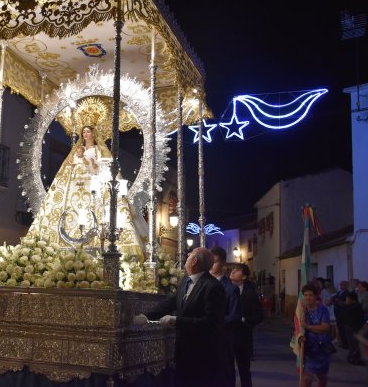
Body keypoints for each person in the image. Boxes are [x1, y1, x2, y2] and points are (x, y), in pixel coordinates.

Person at [26, 123, 147, 265]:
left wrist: (86, 160)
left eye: (88, 132)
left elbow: (98, 169)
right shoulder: (77, 150)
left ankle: (97, 241)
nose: (85, 134)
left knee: (93, 214)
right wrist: (72, 167)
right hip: (75, 188)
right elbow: (68, 168)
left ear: (94, 134)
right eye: (83, 132)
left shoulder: (97, 150)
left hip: (91, 188)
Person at [133, 248, 226, 387]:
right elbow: (170, 302)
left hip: (203, 354)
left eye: (190, 254)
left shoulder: (213, 287)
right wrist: (145, 316)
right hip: (184, 351)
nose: (187, 255)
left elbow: (211, 323)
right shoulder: (186, 280)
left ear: (194, 261)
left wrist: (177, 320)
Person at [210, 246, 241, 387]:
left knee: (225, 374)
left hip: (223, 338)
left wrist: (211, 322)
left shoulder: (231, 289)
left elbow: (233, 316)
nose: (211, 264)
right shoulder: (203, 283)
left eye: (215, 261)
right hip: (205, 339)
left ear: (223, 263)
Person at [230, 263, 264, 387]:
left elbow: (260, 316)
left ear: (244, 277)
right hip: (227, 336)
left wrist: (245, 320)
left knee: (244, 370)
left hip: (243, 337)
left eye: (237, 271)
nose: (232, 272)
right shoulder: (224, 289)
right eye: (232, 270)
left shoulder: (250, 294)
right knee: (227, 371)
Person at [300, 284, 333, 387]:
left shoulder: (322, 310)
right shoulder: (302, 311)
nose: (308, 297)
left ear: (315, 296)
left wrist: (309, 327)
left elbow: (325, 327)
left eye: (310, 295)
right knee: (307, 377)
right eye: (305, 295)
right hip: (308, 348)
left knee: (322, 376)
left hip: (322, 348)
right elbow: (298, 329)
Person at [344, 291, 366, 365]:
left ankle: (356, 358)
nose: (346, 300)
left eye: (347, 298)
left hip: (354, 328)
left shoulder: (356, 306)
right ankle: (352, 356)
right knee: (351, 343)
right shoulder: (352, 306)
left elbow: (354, 318)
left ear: (351, 299)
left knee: (354, 344)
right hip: (350, 327)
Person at [332, 280, 350, 349]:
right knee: (340, 328)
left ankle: (346, 344)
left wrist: (338, 301)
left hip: (343, 313)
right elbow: (334, 299)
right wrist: (335, 301)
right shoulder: (339, 292)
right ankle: (343, 342)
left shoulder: (348, 293)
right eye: (341, 285)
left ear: (346, 285)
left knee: (343, 329)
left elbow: (346, 303)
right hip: (338, 313)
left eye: (343, 284)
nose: (341, 286)